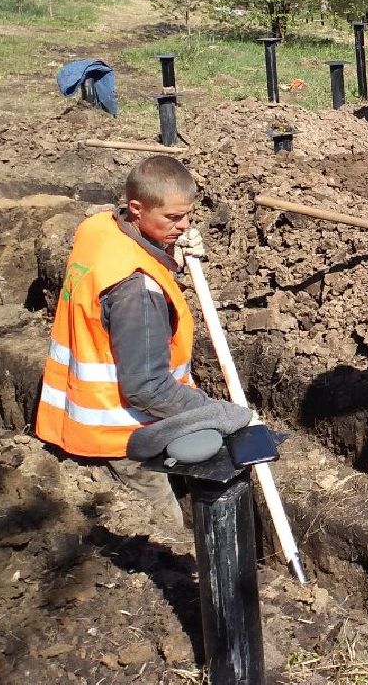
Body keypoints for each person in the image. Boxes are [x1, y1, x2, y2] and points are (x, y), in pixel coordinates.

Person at [36, 155, 250, 525]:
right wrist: (219, 413)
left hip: (77, 413)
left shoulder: (97, 229)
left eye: (187, 216)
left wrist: (171, 253)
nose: (184, 226)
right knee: (164, 536)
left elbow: (130, 249)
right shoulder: (137, 292)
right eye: (172, 218)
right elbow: (149, 389)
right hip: (122, 434)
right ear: (136, 209)